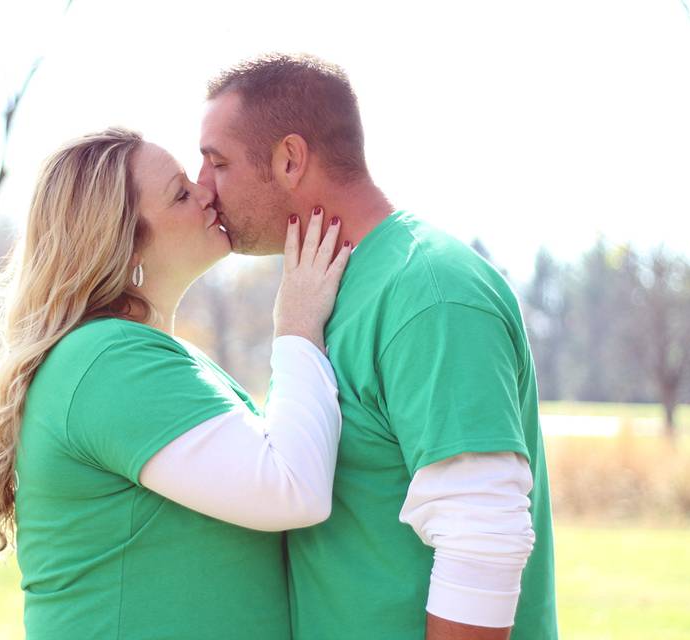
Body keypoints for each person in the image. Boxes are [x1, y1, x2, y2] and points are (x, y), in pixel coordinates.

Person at [198, 54, 558, 640]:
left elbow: (482, 540)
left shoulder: (431, 291)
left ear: (289, 159)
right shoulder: (323, 294)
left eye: (218, 162)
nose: (203, 187)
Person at [0, 128, 352, 639]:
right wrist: (297, 327)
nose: (207, 192)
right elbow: (291, 489)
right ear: (125, 247)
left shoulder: (130, 357)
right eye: (180, 194)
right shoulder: (109, 363)